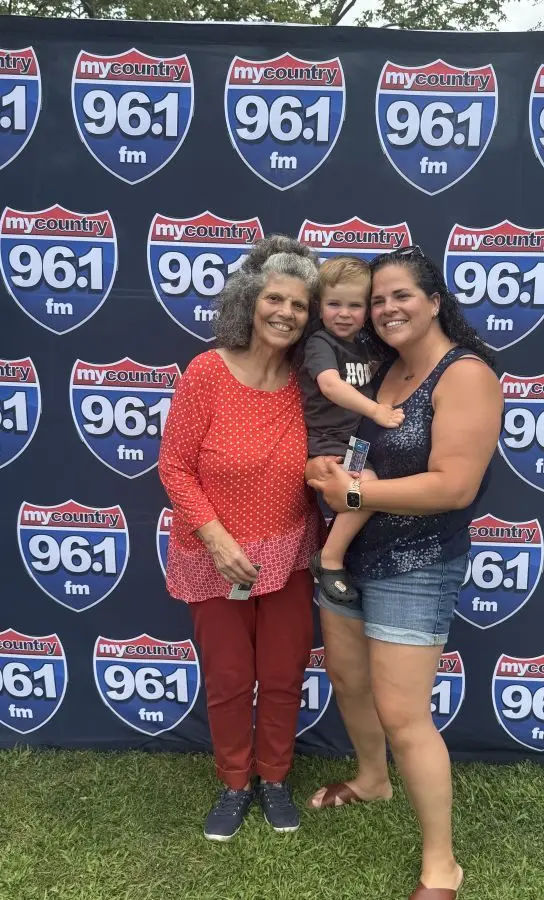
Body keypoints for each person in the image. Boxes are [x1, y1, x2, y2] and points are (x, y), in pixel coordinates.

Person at [305, 245, 503, 900]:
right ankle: (372, 779)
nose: (386, 309)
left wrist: (354, 494)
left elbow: (453, 487)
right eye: (377, 300)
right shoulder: (386, 370)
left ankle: (442, 865)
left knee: (403, 715)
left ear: (434, 302)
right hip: (349, 554)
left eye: (401, 296)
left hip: (415, 565)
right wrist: (330, 474)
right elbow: (363, 457)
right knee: (347, 680)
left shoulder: (465, 375)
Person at [158, 235, 323, 842]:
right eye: (275, 299)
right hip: (214, 559)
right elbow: (174, 466)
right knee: (229, 680)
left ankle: (274, 778)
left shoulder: (311, 383)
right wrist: (217, 540)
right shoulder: (207, 372)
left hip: (290, 555)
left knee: (282, 675)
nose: (286, 313)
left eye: (299, 305)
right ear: (249, 301)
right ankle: (234, 783)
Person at [298, 256, 404, 607]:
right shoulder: (320, 343)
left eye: (355, 306)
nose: (344, 314)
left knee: (360, 495)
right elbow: (330, 385)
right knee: (365, 488)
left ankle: (335, 550)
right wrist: (376, 410)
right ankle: (329, 559)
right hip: (328, 443)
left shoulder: (361, 347)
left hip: (355, 443)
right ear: (319, 306)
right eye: (334, 304)